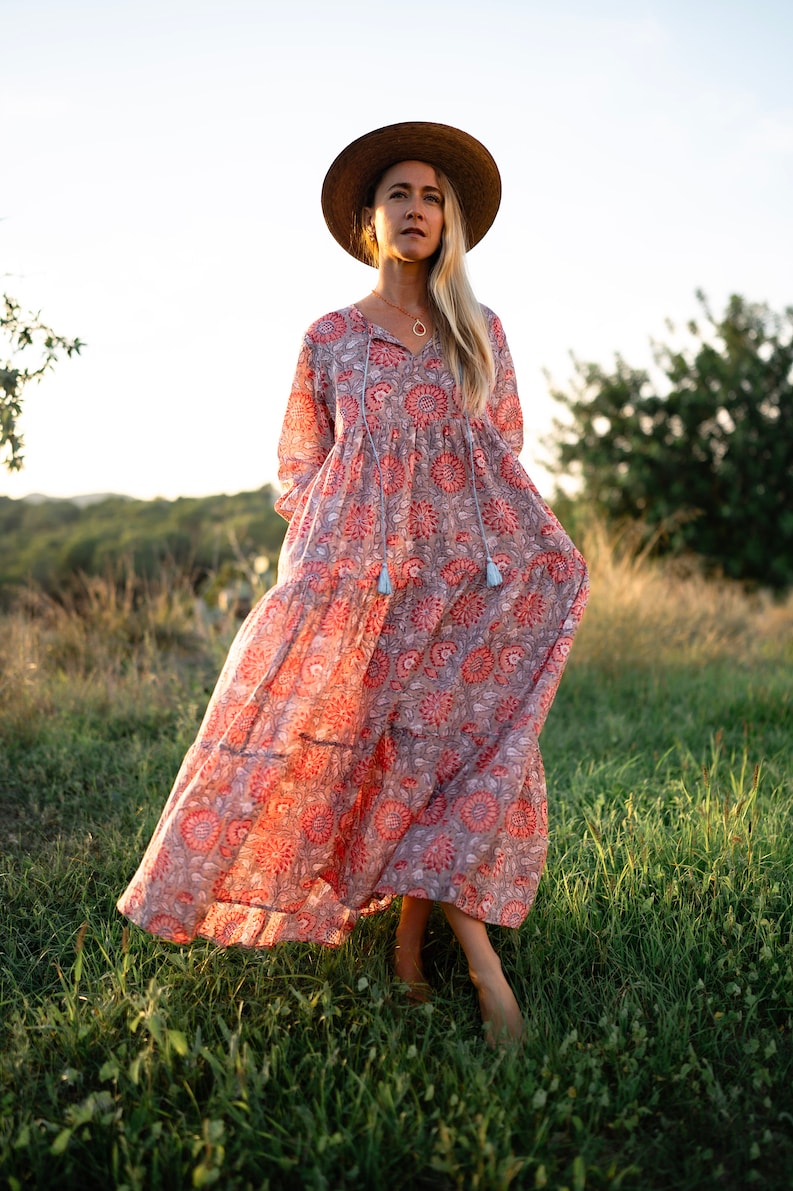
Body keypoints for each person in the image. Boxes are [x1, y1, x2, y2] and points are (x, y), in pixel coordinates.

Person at [118, 122, 589, 1045]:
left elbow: (502, 451)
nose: (416, 212)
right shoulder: (330, 337)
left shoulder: (479, 332)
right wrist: (341, 552)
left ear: (448, 224)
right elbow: (301, 466)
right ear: (368, 221)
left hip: (463, 581)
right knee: (390, 752)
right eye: (399, 197)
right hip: (364, 582)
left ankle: (440, 957)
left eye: (432, 199)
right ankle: (447, 965)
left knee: (447, 748)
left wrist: (510, 553)